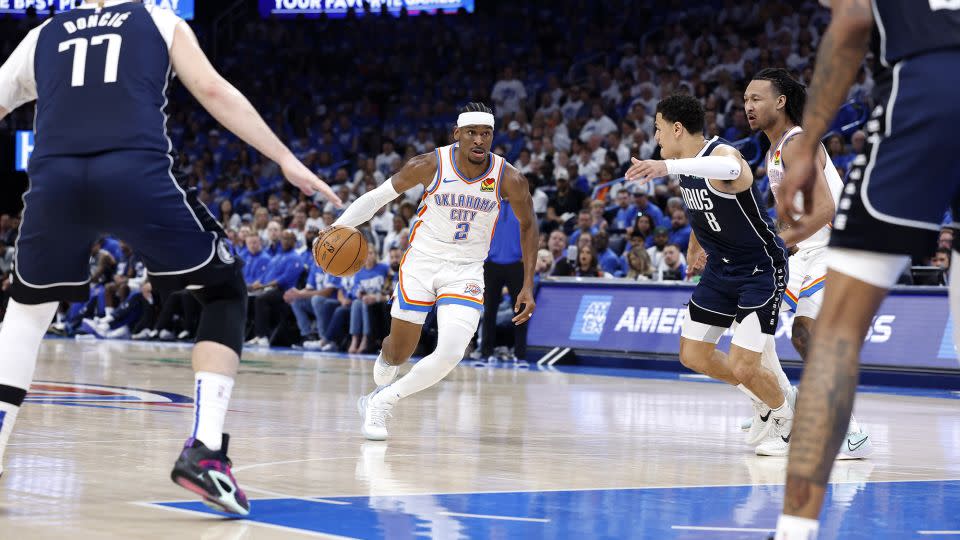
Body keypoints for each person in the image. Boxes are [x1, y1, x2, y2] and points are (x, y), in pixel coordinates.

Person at [0, 0, 338, 515]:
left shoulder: (44, 34)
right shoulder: (159, 20)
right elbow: (211, 89)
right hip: (135, 173)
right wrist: (286, 160)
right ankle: (204, 452)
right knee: (223, 290)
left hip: (54, 181)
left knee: (25, 314)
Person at [772, 3, 960, 537]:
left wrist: (806, 142)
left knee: (835, 335)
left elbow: (852, 18)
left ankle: (795, 530)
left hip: (925, 90)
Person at [328, 102, 537, 441]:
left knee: (452, 351)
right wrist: (337, 226)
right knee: (398, 353)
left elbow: (528, 226)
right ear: (457, 134)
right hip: (422, 261)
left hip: (467, 268)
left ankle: (381, 402)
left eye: (486, 134)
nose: (479, 140)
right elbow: (378, 197)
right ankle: (386, 363)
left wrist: (527, 283)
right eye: (471, 133)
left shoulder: (509, 177)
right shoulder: (429, 164)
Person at [626, 94, 794, 457]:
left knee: (743, 363)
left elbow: (738, 172)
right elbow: (701, 210)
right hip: (720, 267)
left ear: (676, 128)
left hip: (759, 268)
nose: (655, 139)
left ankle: (785, 418)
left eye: (657, 129)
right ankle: (763, 399)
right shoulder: (687, 165)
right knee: (693, 354)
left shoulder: (721, 155)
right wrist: (693, 248)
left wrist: (664, 169)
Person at [744, 67, 872, 459]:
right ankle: (781, 405)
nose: (747, 106)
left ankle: (849, 429)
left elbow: (824, 209)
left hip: (834, 247)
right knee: (751, 325)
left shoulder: (799, 142)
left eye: (756, 99)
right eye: (746, 99)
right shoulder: (774, 151)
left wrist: (778, 243)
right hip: (804, 251)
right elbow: (791, 216)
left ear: (780, 102)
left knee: (804, 334)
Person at [481, 199, 529, 363]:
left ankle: (520, 355)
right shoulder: (491, 204)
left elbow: (531, 231)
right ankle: (486, 354)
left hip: (516, 264)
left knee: (520, 311)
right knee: (489, 311)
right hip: (491, 264)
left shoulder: (522, 204)